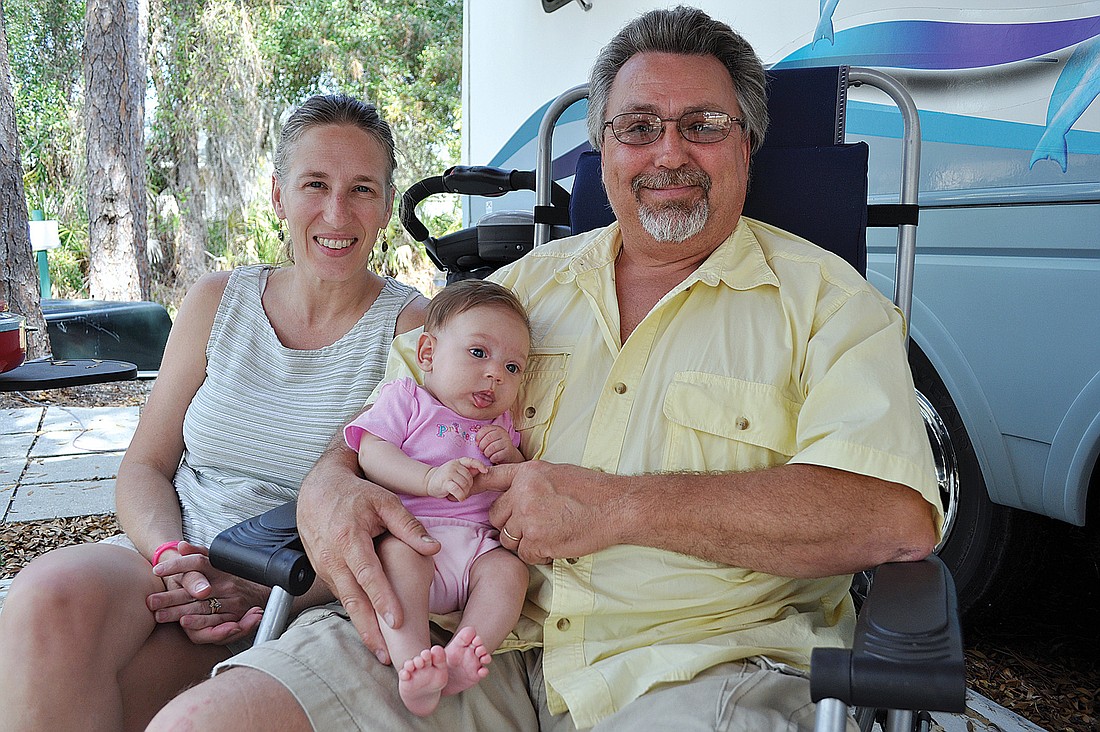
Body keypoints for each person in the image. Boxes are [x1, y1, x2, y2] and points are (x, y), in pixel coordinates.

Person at [150, 7, 942, 731]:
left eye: (702, 124)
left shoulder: (829, 305)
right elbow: (375, 426)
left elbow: (891, 517)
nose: (669, 151)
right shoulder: (519, 292)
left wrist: (621, 509)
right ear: (603, 151)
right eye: (638, 127)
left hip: (694, 672)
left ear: (746, 142)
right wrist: (327, 484)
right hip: (456, 642)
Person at [0, 93, 430, 732]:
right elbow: (145, 466)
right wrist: (171, 555)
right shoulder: (216, 301)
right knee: (45, 599)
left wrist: (266, 583)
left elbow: (418, 519)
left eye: (362, 188)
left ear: (386, 204)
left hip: (297, 588)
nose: (337, 212)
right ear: (279, 195)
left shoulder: (413, 330)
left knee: (121, 690)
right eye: (315, 184)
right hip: (172, 552)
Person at [345, 279, 531, 716]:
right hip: (417, 535)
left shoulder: (501, 425)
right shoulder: (407, 399)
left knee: (509, 574)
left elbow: (519, 482)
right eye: (479, 353)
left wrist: (512, 457)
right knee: (398, 561)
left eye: (513, 368)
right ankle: (415, 662)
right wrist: (428, 479)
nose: (494, 374)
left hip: (478, 548)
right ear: (427, 354)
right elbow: (372, 453)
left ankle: (466, 650)